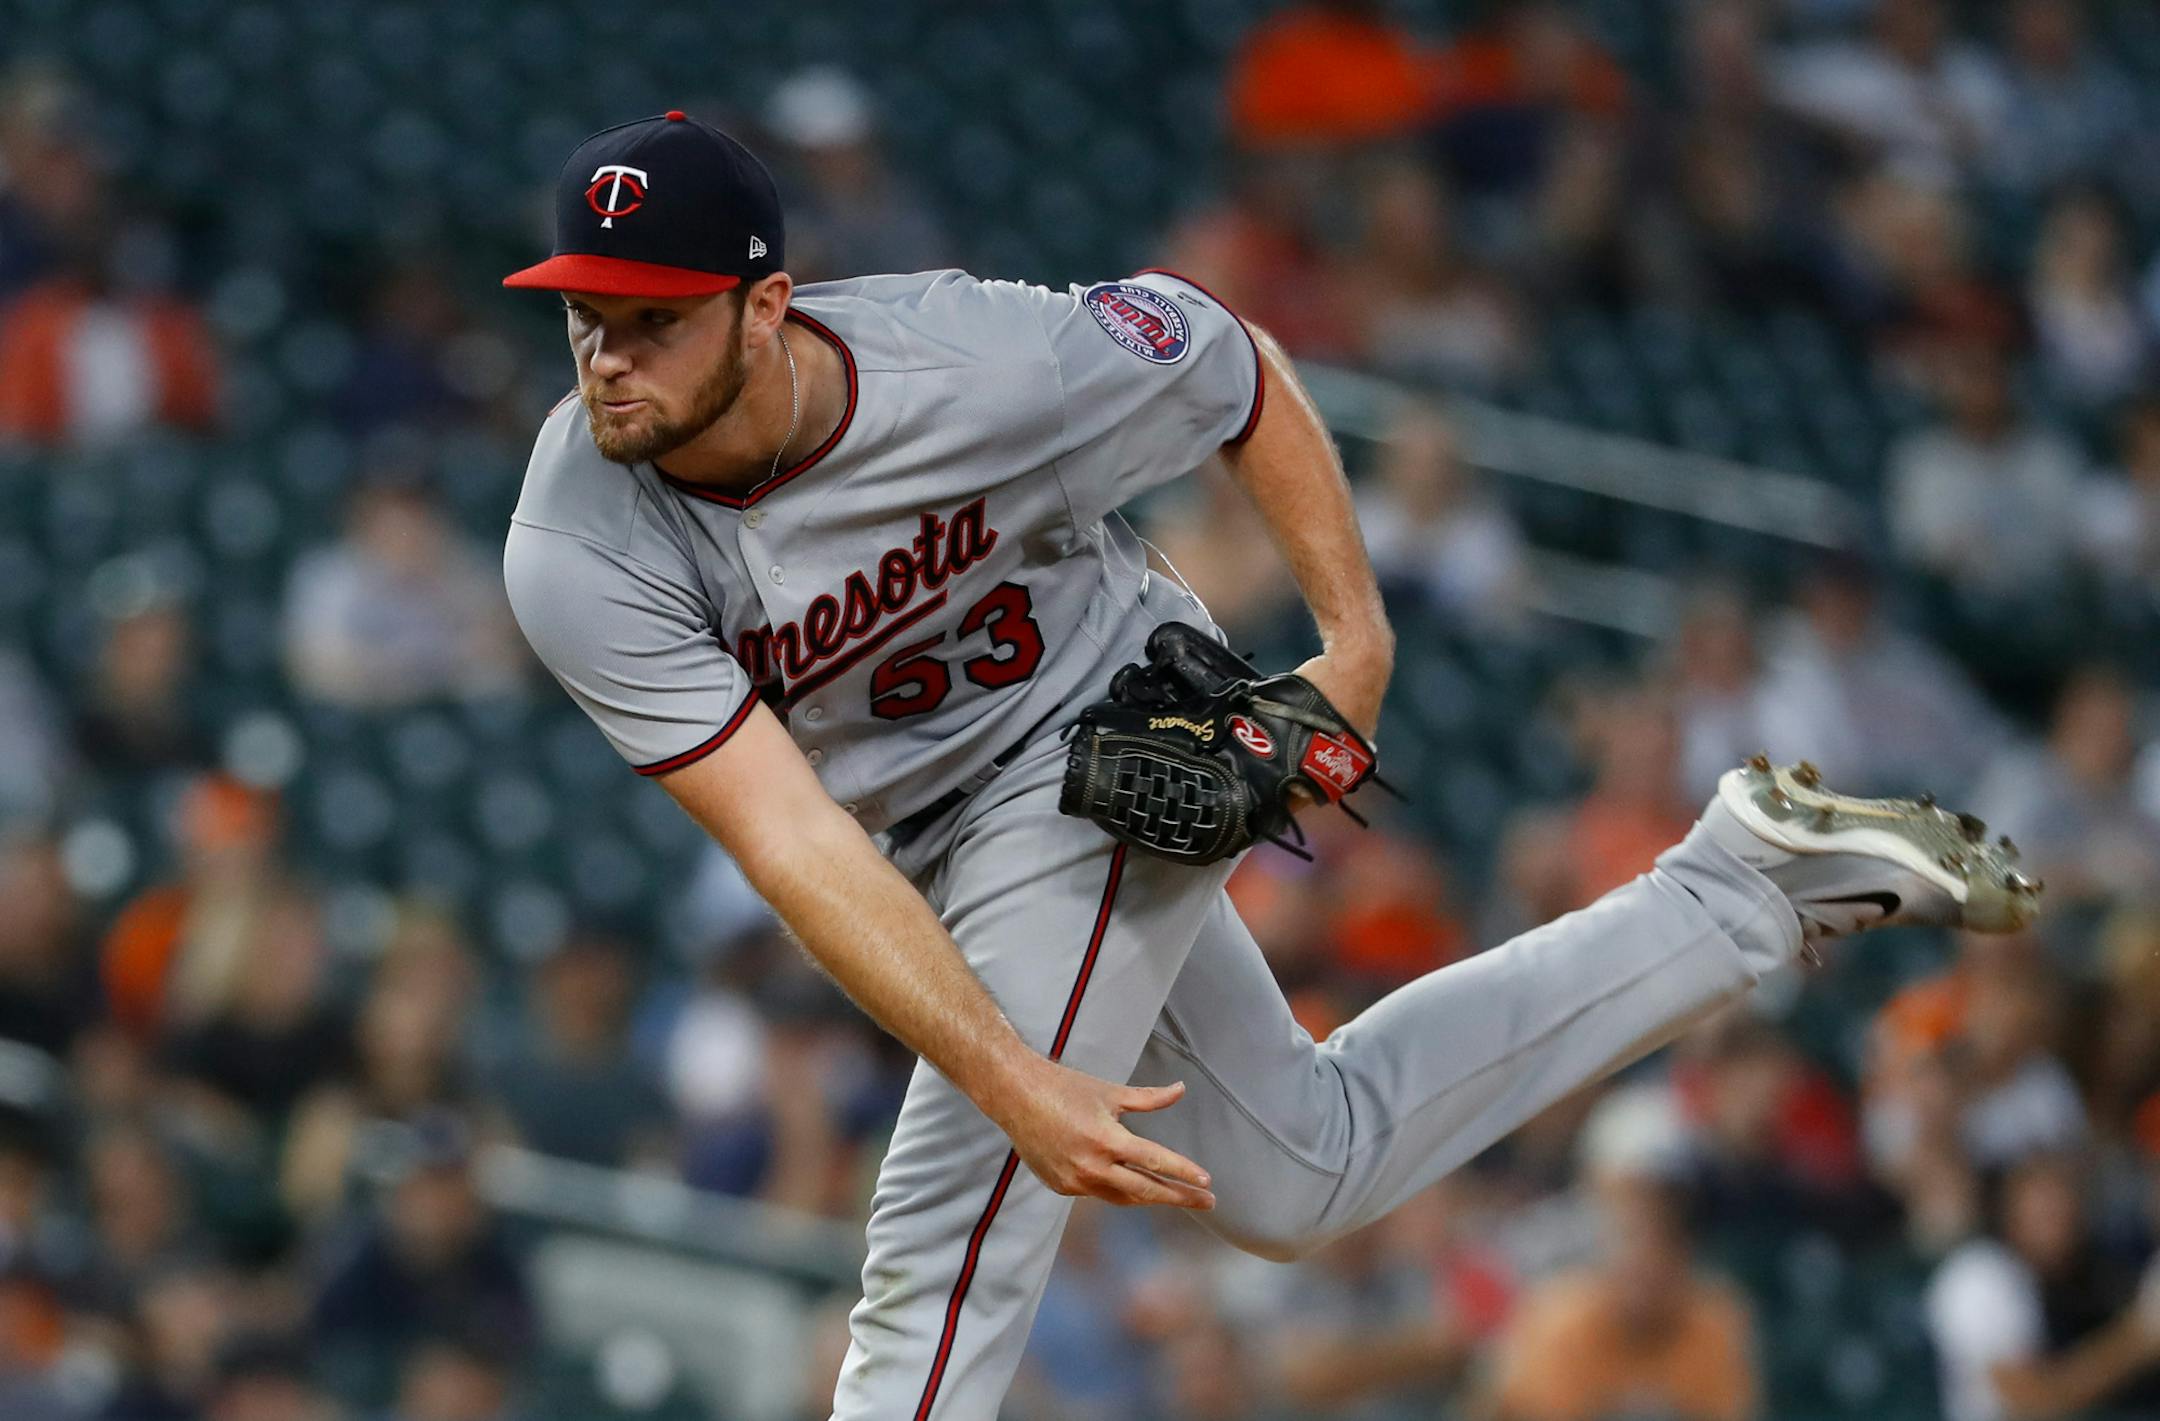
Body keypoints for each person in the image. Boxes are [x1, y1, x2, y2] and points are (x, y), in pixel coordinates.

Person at [499, 110, 2038, 1419]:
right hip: (910, 826)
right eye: (587, 315)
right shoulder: (578, 541)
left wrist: (1352, 640)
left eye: (655, 318)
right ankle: (1740, 893)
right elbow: (788, 841)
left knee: (947, 1218)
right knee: (1304, 1174)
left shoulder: (974, 359)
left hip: (1100, 736)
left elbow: (1229, 363)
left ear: (767, 305)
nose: (609, 357)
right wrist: (1005, 1059)